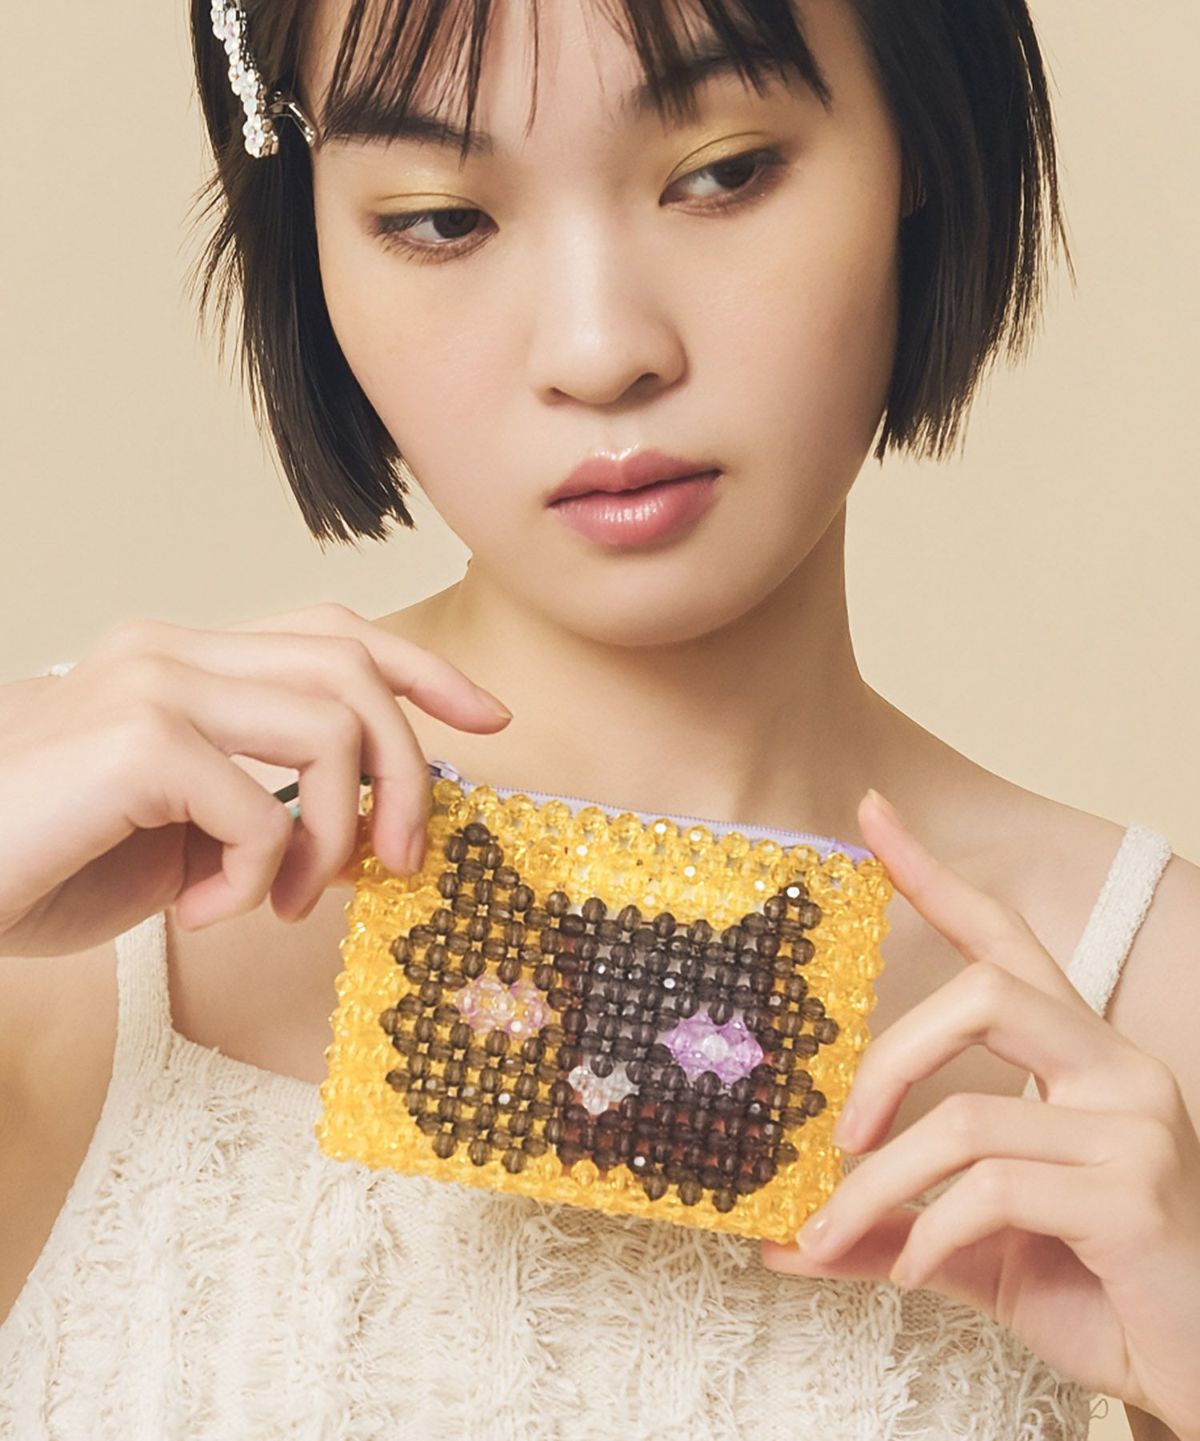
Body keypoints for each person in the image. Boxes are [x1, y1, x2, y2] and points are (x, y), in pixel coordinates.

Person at [0, 0, 1197, 1436]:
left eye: (725, 173)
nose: (599, 348)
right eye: (440, 218)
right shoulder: (69, 881)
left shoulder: (1149, 1016)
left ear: (921, 142)